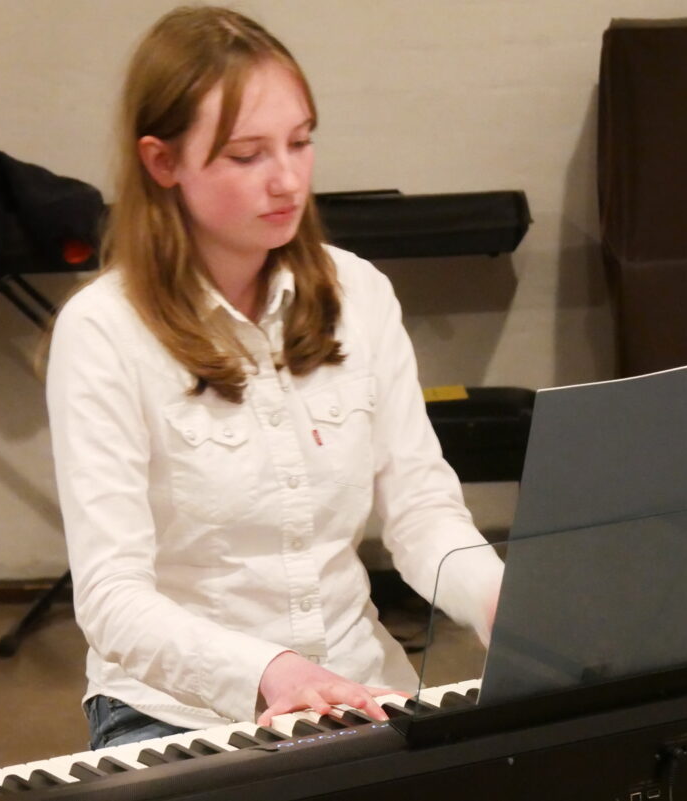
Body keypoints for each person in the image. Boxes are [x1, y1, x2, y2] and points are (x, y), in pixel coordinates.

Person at [46, 5, 503, 750]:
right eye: (246, 154)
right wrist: (274, 671)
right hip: (176, 714)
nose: (287, 179)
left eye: (299, 143)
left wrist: (496, 597)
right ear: (163, 163)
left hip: (363, 686)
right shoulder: (104, 331)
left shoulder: (358, 294)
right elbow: (111, 597)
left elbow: (420, 509)